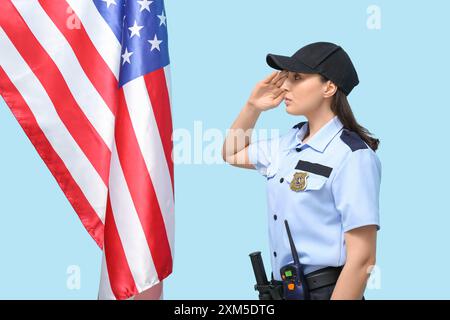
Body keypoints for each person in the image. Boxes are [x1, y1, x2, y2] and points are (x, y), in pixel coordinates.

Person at [222, 42, 381, 300]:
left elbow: (362, 260)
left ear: (329, 87)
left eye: (297, 78)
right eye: (287, 77)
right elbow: (231, 153)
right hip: (284, 291)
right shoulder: (288, 144)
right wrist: (253, 107)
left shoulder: (352, 155)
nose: (284, 85)